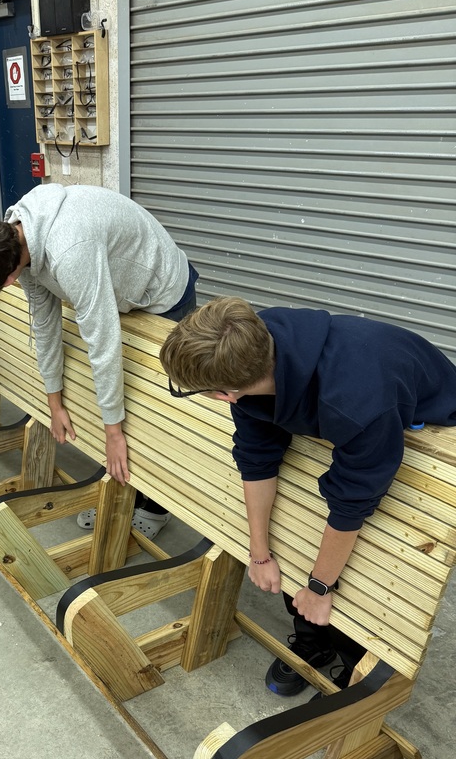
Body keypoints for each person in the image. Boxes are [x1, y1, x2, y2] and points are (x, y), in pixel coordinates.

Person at [159, 296, 456, 695]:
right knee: (295, 519)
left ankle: (352, 660)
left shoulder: (357, 400)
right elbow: (256, 457)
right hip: (353, 414)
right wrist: (260, 553)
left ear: (224, 394)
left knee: (374, 551)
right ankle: (313, 639)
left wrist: (319, 588)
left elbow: (352, 501)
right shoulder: (248, 347)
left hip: (430, 425)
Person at [0, 184, 199, 538]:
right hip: (119, 286)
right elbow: (44, 323)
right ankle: (121, 494)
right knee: (119, 406)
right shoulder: (16, 238)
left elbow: (103, 341)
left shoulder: (70, 252)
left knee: (150, 407)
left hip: (163, 292)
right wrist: (55, 402)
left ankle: (154, 511)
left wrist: (113, 432)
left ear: (7, 279)